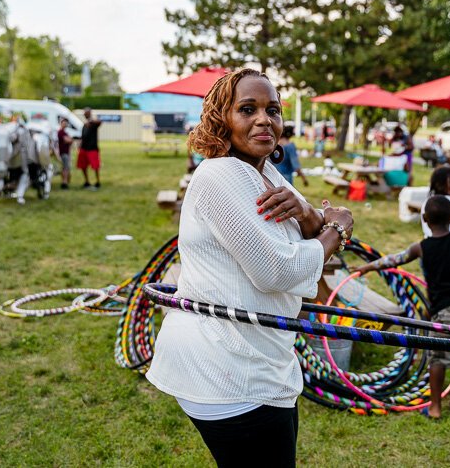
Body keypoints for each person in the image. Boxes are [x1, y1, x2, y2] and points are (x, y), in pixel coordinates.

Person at [146, 68, 354, 466]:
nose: (264, 119)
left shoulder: (262, 171)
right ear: (221, 118)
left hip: (258, 358)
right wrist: (338, 231)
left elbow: (307, 229)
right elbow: (277, 270)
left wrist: (311, 215)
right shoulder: (221, 174)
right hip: (227, 367)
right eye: (248, 109)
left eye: (273, 110)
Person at [354, 195, 450, 419]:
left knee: (438, 358)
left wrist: (367, 267)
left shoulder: (421, 247)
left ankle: (435, 408)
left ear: (424, 218)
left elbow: (393, 260)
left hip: (446, 311)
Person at [77, 107, 102, 189]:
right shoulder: (84, 125)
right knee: (83, 166)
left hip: (92, 148)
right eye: (84, 113)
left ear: (90, 113)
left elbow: (99, 122)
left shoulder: (93, 123)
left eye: (86, 112)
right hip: (84, 148)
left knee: (95, 166)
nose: (85, 114)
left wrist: (91, 121)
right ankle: (87, 181)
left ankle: (98, 182)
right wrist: (79, 145)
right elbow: (82, 136)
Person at [56, 118, 73, 189]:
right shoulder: (61, 132)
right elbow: (68, 140)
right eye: (64, 123)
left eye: (66, 123)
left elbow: (69, 140)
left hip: (65, 152)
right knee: (65, 168)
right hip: (64, 153)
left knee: (65, 168)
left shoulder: (64, 132)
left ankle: (65, 181)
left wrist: (69, 140)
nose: (65, 124)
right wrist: (69, 139)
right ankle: (64, 182)